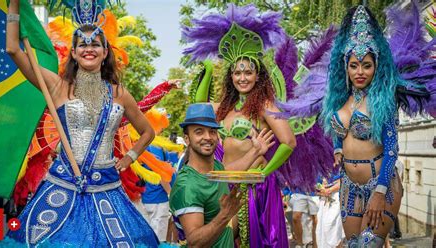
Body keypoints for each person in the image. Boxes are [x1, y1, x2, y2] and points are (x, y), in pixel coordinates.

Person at [1, 0, 158, 246]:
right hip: (62, 186)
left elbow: (148, 131)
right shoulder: (57, 86)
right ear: (73, 52)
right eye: (82, 44)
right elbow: (13, 49)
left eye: (95, 44)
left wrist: (130, 156)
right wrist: (14, 7)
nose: (89, 49)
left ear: (105, 52)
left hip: (108, 188)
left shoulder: (120, 93)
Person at [183, 4, 297, 247]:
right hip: (224, 185)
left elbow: (288, 142)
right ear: (230, 76)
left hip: (255, 190)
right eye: (237, 73)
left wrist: (263, 174)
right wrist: (207, 69)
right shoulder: (223, 108)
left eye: (248, 72)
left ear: (258, 75)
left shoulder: (265, 105)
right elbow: (197, 108)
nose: (242, 78)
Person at [321, 6, 405, 247]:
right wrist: (338, 148)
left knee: (368, 244)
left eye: (366, 65)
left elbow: (391, 149)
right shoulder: (338, 100)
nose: (360, 72)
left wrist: (379, 192)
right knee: (352, 244)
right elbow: (340, 132)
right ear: (346, 66)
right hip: (348, 184)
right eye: (354, 65)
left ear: (376, 66)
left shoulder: (384, 100)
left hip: (381, 183)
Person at [169, 103, 273, 247]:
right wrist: (225, 215)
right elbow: (195, 242)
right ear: (187, 139)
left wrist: (255, 151)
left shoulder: (214, 168)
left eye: (212, 131)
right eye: (199, 132)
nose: (208, 137)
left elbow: (228, 171)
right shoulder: (187, 186)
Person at [316, 174, 345, 248]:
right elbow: (314, 186)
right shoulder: (318, 166)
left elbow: (345, 180)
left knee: (332, 228)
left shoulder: (341, 164)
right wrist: (320, 190)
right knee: (323, 231)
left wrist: (329, 190)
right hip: (324, 199)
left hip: (337, 196)